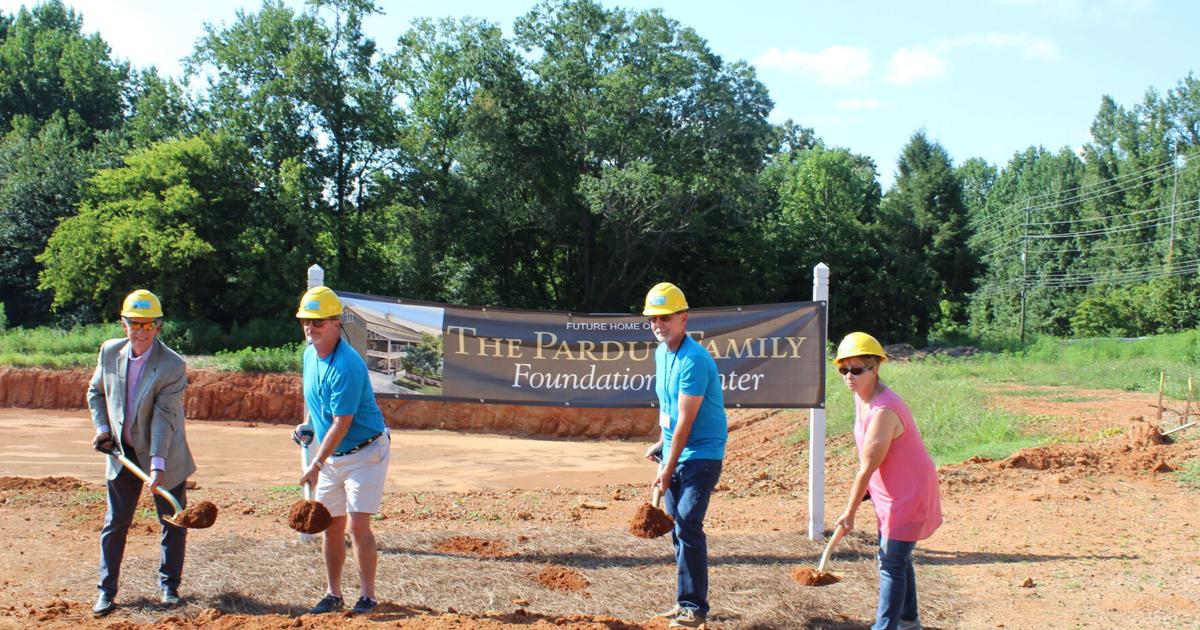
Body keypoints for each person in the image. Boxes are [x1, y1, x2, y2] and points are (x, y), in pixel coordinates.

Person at [88, 289, 195, 617]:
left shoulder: (172, 366)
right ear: (124, 324)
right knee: (115, 522)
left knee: (172, 521)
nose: (141, 331)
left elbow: (164, 419)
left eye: (148, 325)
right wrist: (103, 430)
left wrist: (157, 466)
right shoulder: (109, 352)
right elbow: (96, 392)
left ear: (159, 327)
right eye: (134, 324)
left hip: (164, 455)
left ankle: (169, 586)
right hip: (122, 454)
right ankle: (106, 591)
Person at [833, 332, 942, 630]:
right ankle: (909, 621)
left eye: (857, 370)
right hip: (889, 492)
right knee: (899, 558)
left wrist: (849, 512)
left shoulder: (883, 410)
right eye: (844, 369)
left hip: (908, 494)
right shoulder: (863, 397)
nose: (849, 377)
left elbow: (866, 467)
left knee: (891, 563)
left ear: (875, 368)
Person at [294, 286, 390, 616]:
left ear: (336, 322)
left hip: (365, 452)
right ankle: (333, 594)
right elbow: (313, 394)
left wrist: (316, 463)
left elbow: (342, 423)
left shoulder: (347, 365)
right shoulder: (309, 354)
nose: (311, 327)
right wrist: (307, 424)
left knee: (356, 526)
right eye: (307, 320)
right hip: (333, 454)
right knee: (330, 525)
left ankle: (367, 596)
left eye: (319, 321)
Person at [641, 282, 727, 630]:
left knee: (688, 522)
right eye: (653, 319)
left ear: (684, 319)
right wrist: (661, 444)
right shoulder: (661, 354)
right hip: (677, 447)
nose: (658, 324)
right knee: (678, 527)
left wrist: (668, 465)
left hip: (703, 452)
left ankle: (694, 608)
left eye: (665, 318)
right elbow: (669, 411)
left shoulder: (694, 360)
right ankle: (683, 603)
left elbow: (687, 421)